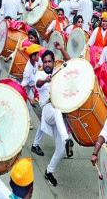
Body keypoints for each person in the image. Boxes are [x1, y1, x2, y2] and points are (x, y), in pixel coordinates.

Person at [32, 49, 73, 187]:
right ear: (42, 63)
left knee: (61, 150)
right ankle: (67, 139)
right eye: (45, 62)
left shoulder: (59, 71)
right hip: (48, 111)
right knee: (56, 110)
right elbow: (37, 83)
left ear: (54, 62)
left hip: (60, 116)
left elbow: (71, 62)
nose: (47, 64)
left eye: (50, 61)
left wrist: (62, 49)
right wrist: (45, 80)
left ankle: (49, 172)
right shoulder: (40, 74)